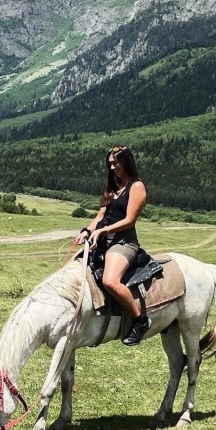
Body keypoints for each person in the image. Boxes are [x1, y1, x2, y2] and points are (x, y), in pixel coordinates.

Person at [75, 145, 150, 346]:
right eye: (110, 164)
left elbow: (129, 220)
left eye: (116, 162)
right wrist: (87, 231)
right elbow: (100, 216)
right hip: (102, 240)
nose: (113, 167)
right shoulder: (111, 186)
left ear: (126, 162)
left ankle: (140, 320)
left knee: (110, 281)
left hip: (124, 242)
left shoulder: (136, 186)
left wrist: (104, 231)